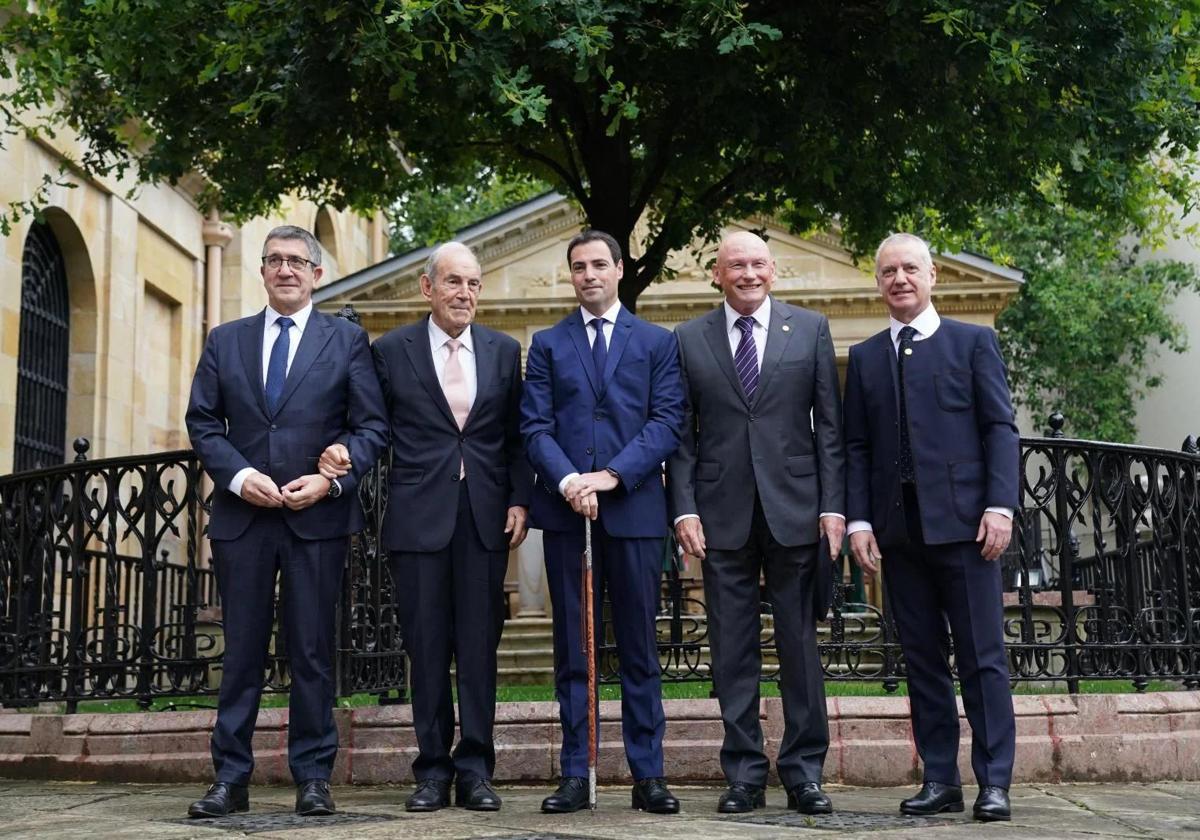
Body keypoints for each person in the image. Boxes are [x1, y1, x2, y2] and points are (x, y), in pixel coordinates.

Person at [184, 225, 387, 818]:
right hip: (243, 518)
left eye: (298, 261)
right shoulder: (227, 340)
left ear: (317, 274)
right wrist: (240, 476)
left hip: (316, 517)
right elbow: (202, 423)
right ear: (263, 271)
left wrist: (333, 477)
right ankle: (230, 778)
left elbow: (372, 428)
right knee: (242, 650)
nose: (286, 270)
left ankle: (313, 777)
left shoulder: (346, 341)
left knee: (312, 650)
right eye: (275, 260)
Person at [339, 242, 531, 812]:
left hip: (483, 521)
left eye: (473, 284)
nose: (464, 294)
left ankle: (475, 770)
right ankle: (430, 771)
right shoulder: (391, 350)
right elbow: (372, 425)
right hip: (417, 518)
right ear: (428, 288)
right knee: (424, 650)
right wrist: (341, 463)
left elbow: (516, 439)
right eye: (453, 282)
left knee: (478, 649)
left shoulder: (502, 350)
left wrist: (520, 499)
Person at [666, 231, 845, 815]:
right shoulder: (688, 338)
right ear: (717, 274)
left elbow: (830, 430)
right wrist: (684, 508)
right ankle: (743, 773)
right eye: (735, 265)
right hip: (721, 515)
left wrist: (832, 507)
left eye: (757, 263)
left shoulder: (811, 329)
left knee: (799, 645)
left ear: (774, 270)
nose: (748, 273)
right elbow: (682, 437)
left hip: (795, 510)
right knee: (732, 649)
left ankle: (803, 771)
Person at [843, 232, 1018, 822]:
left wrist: (1000, 506)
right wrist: (861, 521)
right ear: (879, 282)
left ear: (932, 274)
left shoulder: (973, 343)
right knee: (921, 660)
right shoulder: (866, 358)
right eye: (888, 271)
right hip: (899, 533)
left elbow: (1000, 430)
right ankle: (940, 779)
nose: (899, 279)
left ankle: (995, 783)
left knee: (981, 658)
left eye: (910, 269)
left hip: (969, 531)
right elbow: (858, 446)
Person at [520, 229, 685, 815]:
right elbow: (535, 427)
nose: (588, 274)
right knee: (574, 651)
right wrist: (568, 481)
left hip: (634, 514)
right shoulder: (546, 343)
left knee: (639, 648)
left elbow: (666, 422)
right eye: (577, 267)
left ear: (618, 269)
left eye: (597, 264)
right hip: (569, 519)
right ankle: (574, 772)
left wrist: (612, 476)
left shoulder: (656, 342)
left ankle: (649, 774)